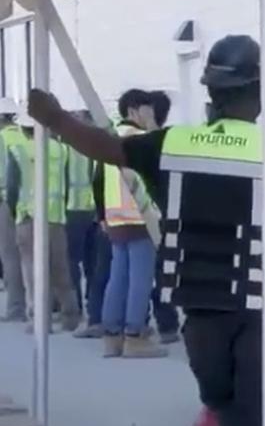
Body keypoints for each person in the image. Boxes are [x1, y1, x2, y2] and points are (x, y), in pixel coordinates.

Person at [28, 35, 265, 426]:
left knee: (233, 405)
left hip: (201, 304)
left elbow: (106, 148)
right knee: (248, 410)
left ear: (212, 93)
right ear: (258, 93)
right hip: (261, 305)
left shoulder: (175, 143)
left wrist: (54, 118)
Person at [99, 89, 164, 358]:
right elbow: (161, 162)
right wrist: (152, 125)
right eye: (148, 109)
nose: (151, 114)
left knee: (118, 278)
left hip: (115, 218)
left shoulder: (110, 138)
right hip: (140, 217)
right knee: (140, 280)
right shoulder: (142, 139)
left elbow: (97, 179)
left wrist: (102, 216)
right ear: (134, 111)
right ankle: (134, 336)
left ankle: (111, 336)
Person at [5, 114, 80, 332]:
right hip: (55, 216)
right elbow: (66, 183)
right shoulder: (61, 150)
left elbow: (12, 186)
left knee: (33, 271)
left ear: (24, 129)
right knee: (60, 270)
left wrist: (15, 212)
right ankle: (70, 316)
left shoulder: (18, 151)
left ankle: (41, 321)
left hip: (28, 217)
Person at [148, 89, 181, 345]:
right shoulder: (174, 140)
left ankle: (164, 323)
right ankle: (171, 323)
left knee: (158, 273)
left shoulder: (146, 143)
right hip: (174, 212)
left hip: (152, 214)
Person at [64, 110, 99, 326]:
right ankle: (93, 308)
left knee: (72, 262)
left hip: (73, 210)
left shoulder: (65, 146)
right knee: (91, 264)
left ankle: (77, 307)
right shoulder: (96, 145)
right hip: (93, 211)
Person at [0, 98, 24, 322]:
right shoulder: (23, 135)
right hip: (28, 202)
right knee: (28, 256)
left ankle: (16, 308)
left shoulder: (1, 138)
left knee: (10, 256)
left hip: (6, 200)